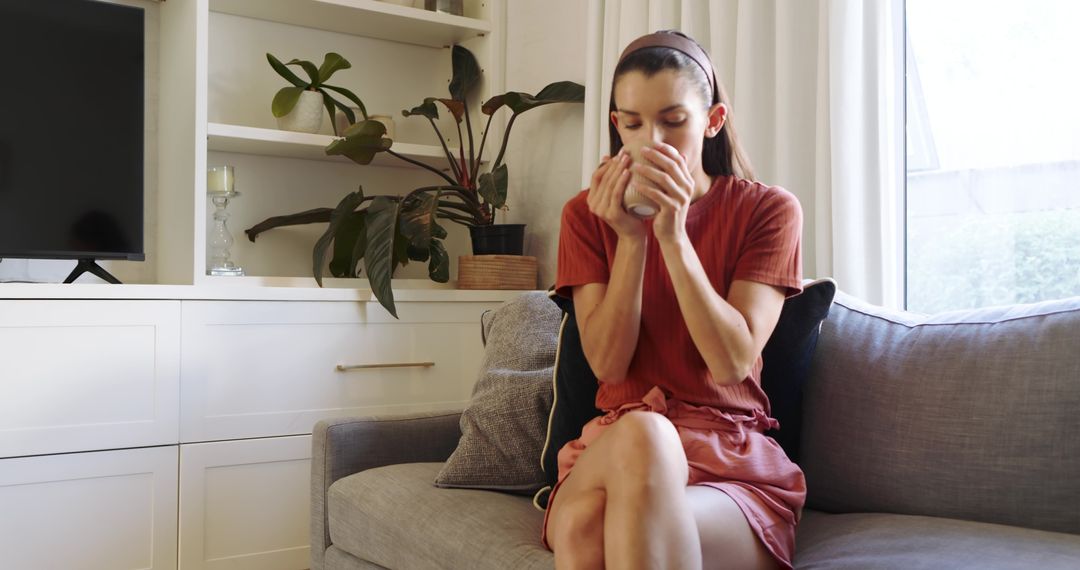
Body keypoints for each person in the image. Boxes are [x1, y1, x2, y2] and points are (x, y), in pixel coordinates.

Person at [544, 30, 806, 570]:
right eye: (634, 124)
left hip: (727, 463)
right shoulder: (586, 217)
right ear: (617, 124)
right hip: (613, 449)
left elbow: (731, 362)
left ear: (712, 120)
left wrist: (673, 235)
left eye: (673, 121)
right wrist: (632, 239)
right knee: (643, 433)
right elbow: (608, 364)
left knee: (587, 531)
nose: (652, 143)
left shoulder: (768, 211)